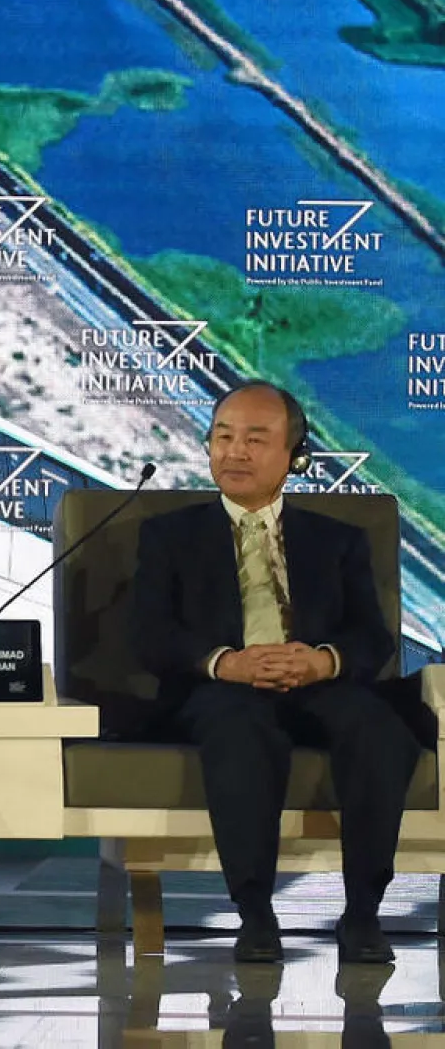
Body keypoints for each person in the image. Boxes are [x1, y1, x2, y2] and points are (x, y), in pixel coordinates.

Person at [133, 381, 418, 964]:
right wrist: (226, 662)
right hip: (220, 690)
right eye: (223, 437)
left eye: (255, 440)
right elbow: (150, 634)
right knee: (240, 727)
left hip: (318, 685)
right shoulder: (169, 535)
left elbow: (372, 636)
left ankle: (363, 913)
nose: (234, 452)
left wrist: (322, 660)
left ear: (295, 456)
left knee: (380, 728)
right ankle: (256, 913)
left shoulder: (337, 540)